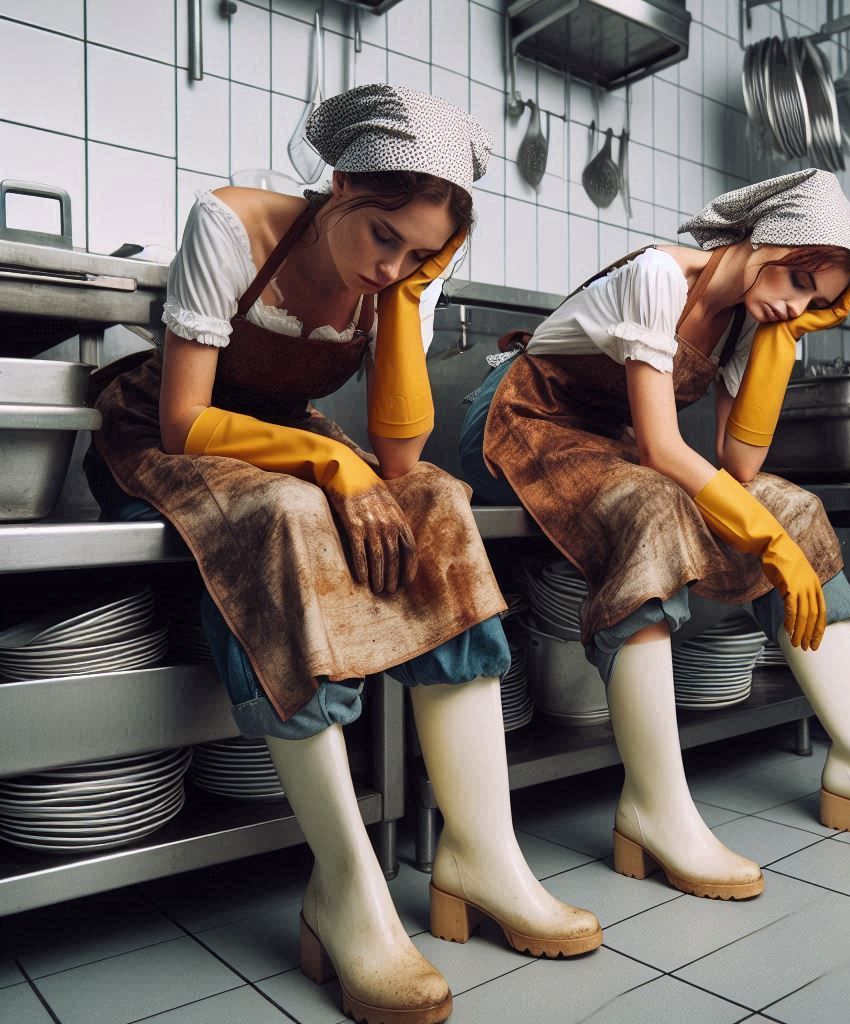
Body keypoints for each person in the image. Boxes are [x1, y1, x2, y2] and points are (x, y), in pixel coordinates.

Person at [86, 85, 600, 1024]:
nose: (395, 263)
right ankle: (346, 891)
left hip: (293, 439)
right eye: (383, 238)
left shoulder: (406, 271)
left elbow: (400, 456)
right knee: (285, 513)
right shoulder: (229, 224)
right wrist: (328, 459)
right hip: (174, 437)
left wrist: (405, 298)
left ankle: (481, 853)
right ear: (340, 184)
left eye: (421, 251)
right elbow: (183, 416)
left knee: (438, 499)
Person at [460, 168, 850, 903]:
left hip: (607, 447)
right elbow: (664, 452)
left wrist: (783, 337)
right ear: (766, 236)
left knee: (791, 506)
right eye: (798, 280)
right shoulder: (657, 277)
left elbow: (741, 465)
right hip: (515, 425)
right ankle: (655, 810)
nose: (796, 303)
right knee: (656, 507)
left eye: (815, 303)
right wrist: (768, 548)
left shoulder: (754, 324)